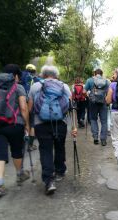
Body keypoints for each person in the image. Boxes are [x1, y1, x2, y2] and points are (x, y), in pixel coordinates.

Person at [28, 65, 77, 195]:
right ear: (56, 75)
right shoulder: (64, 86)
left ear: (43, 75)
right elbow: (71, 107)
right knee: (60, 146)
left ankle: (49, 181)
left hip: (41, 124)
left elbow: (30, 109)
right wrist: (74, 126)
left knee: (45, 151)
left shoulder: (35, 86)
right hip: (60, 123)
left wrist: (29, 126)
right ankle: (60, 171)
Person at [0, 64, 30, 197]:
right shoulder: (18, 87)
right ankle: (19, 174)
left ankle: (0, 184)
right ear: (16, 75)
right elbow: (23, 108)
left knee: (0, 153)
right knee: (17, 150)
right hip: (14, 124)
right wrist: (27, 125)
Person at [84, 68, 110, 146]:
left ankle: (95, 138)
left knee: (93, 119)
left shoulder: (90, 80)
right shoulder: (107, 81)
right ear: (102, 74)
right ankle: (103, 140)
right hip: (103, 103)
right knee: (104, 121)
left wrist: (89, 97)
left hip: (93, 103)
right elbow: (109, 93)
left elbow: (84, 91)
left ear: (94, 73)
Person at [21, 64, 42, 152]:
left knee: (22, 122)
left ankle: (20, 143)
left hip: (20, 101)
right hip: (31, 102)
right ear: (34, 71)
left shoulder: (21, 76)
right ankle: (30, 145)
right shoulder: (36, 79)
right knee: (32, 123)